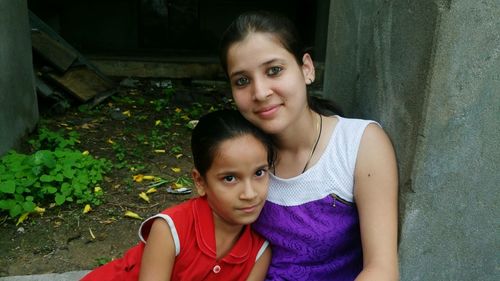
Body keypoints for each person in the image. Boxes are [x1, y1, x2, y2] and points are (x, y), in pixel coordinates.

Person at [219, 11, 399, 280]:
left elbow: (382, 268)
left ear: (307, 68)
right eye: (242, 81)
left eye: (274, 70)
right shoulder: (238, 153)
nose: (260, 92)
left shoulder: (359, 143)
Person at [81, 109, 275, 281]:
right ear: (200, 182)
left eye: (259, 173)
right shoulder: (170, 230)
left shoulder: (259, 253)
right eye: (230, 178)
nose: (250, 194)